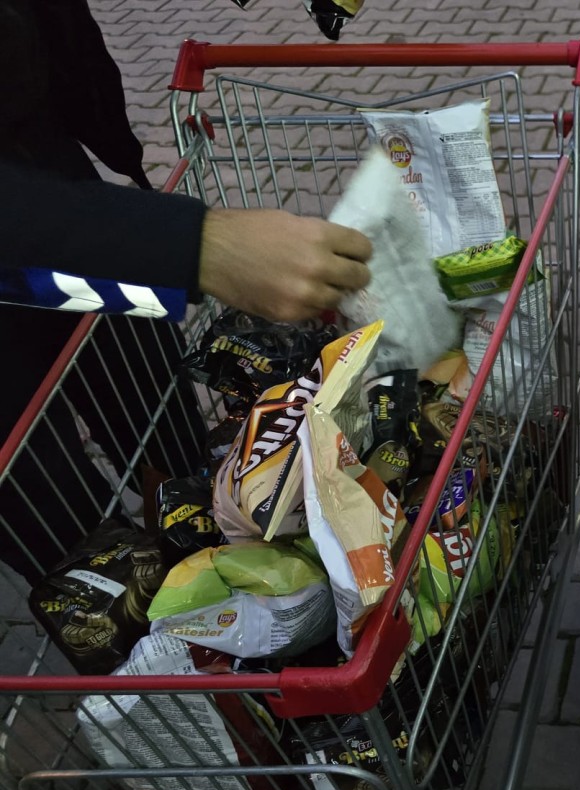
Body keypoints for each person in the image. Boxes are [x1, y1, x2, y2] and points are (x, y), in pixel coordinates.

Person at [0, 0, 372, 580]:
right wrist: (201, 245)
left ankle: (204, 542)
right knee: (68, 536)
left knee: (166, 430)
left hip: (72, 199)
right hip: (59, 226)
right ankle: (145, 619)